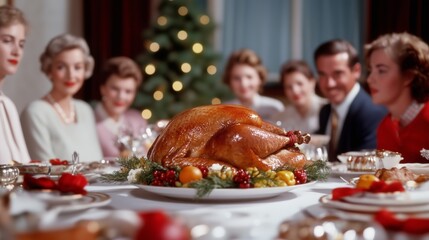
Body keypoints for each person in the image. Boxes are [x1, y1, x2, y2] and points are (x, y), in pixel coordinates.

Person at [21, 34, 102, 162]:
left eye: (77, 67)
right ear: (49, 69)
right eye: (61, 67)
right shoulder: (35, 112)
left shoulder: (85, 109)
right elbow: (44, 169)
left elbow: (98, 163)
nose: (71, 75)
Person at [314, 39, 387, 161]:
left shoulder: (372, 112)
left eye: (337, 74)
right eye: (322, 74)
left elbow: (365, 167)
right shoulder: (325, 111)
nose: (329, 83)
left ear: (356, 71)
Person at [365, 32, 429, 163]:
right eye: (370, 70)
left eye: (381, 70)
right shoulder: (384, 127)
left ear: (408, 76)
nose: (370, 79)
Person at [94, 56, 147, 158]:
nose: (121, 97)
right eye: (115, 89)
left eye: (128, 91)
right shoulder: (90, 122)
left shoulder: (137, 120)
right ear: (103, 88)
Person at [0, 6, 30, 164]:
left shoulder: (8, 105)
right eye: (7, 41)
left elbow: (22, 166)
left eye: (21, 44)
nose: (17, 51)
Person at [222, 48, 284, 120]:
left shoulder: (274, 108)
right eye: (237, 78)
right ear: (229, 81)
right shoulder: (224, 111)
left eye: (249, 77)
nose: (243, 84)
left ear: (260, 78)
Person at [270, 60, 326, 133]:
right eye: (289, 87)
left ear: (312, 82)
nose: (295, 91)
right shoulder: (279, 118)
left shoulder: (328, 110)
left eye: (300, 84)